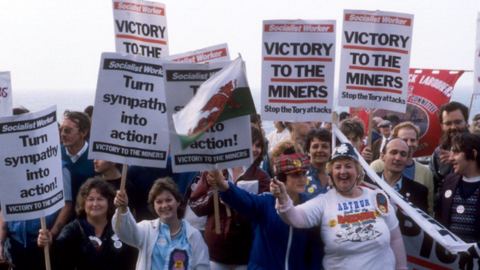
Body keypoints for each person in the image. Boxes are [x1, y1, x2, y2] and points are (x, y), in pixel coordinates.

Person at [271, 143, 408, 270]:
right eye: (337, 167)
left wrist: (402, 268)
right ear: (330, 173)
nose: (343, 171)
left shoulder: (377, 197)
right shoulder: (323, 202)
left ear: (358, 171)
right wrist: (283, 199)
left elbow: (395, 239)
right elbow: (295, 218)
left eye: (348, 166)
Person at [206, 153, 322, 269]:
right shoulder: (266, 203)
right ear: (281, 178)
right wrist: (222, 184)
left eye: (304, 174)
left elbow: (315, 250)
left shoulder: (310, 206)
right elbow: (243, 199)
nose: (302, 179)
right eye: (296, 175)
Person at [189, 125, 270, 269]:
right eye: (249, 143)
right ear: (237, 142)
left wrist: (235, 204)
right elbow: (196, 206)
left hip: (245, 255)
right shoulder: (215, 171)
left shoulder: (262, 178)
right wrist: (216, 189)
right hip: (214, 254)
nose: (254, 149)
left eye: (258, 145)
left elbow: (263, 216)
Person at [37, 177, 137, 270]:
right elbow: (59, 248)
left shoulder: (119, 226)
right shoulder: (74, 228)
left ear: (109, 202)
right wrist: (49, 242)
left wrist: (124, 209)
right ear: (83, 203)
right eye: (90, 199)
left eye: (100, 199)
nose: (95, 204)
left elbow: (134, 249)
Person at [113, 177, 209, 270]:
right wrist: (123, 208)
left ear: (178, 201)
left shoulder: (194, 235)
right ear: (153, 206)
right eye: (159, 202)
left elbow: (202, 267)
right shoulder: (147, 229)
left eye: (168, 200)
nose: (164, 205)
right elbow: (124, 233)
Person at [370, 122, 434, 215]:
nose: (409, 144)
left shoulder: (425, 172)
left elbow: (428, 210)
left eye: (412, 140)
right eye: (404, 139)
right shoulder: (376, 166)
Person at [366, 138, 429, 213]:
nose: (398, 158)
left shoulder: (419, 192)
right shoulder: (367, 183)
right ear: (382, 156)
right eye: (393, 152)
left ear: (407, 159)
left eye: (403, 154)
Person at [429, 102, 469, 202]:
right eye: (448, 123)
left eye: (458, 122)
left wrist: (460, 159)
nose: (453, 127)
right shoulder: (439, 152)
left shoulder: (478, 145)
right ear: (442, 126)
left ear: (466, 121)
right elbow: (432, 184)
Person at [60, 110, 96, 216]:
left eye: (68, 130)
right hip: (59, 219)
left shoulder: (95, 157)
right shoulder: (55, 154)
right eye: (61, 130)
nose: (62, 134)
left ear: (84, 132)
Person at [303, 128, 332, 199]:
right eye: (315, 147)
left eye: (324, 147)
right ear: (308, 151)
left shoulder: (336, 175)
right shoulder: (300, 175)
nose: (319, 150)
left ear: (331, 151)